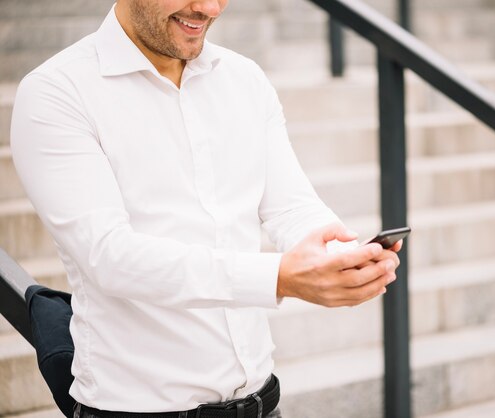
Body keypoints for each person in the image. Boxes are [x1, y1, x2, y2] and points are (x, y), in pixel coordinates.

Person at [10, 0, 402, 417]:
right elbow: (109, 256)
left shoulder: (244, 78)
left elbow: (292, 207)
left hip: (263, 404)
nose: (209, 7)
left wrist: (341, 255)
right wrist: (278, 277)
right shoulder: (57, 91)